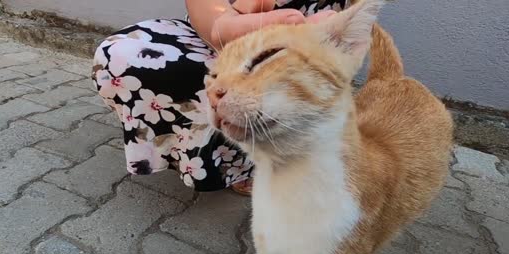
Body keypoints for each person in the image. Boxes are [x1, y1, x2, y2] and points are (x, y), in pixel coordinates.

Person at [92, 0, 345, 195]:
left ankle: (261, 163)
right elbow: (211, 15)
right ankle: (221, 161)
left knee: (287, 85)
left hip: (306, 45)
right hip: (213, 37)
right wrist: (220, 27)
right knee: (123, 55)